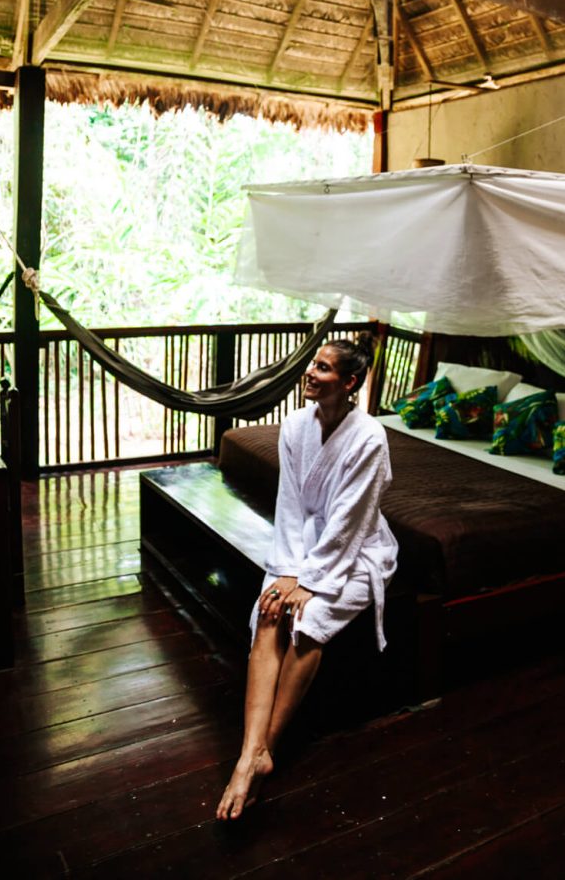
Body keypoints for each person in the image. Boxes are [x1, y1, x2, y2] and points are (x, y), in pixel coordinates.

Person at [216, 332, 398, 820]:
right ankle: (251, 753)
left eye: (322, 368)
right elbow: (291, 506)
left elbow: (350, 520)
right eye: (313, 364)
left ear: (350, 382)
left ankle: (258, 755)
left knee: (309, 620)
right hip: (299, 550)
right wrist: (289, 573)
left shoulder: (370, 438)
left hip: (356, 552)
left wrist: (312, 581)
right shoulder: (295, 425)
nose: (309, 373)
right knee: (270, 611)